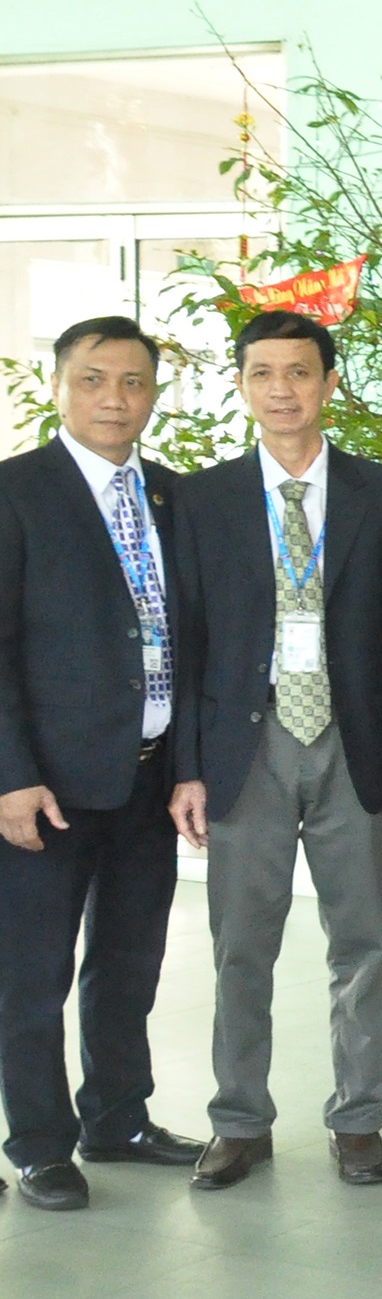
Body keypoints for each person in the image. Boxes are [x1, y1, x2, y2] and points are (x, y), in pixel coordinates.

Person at [168, 309, 382, 1190]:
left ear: (329, 383)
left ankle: (358, 1121)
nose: (282, 389)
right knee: (242, 945)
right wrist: (188, 767)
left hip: (354, 741)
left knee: (360, 943)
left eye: (300, 372)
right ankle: (239, 1121)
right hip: (247, 746)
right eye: (263, 373)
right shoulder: (199, 501)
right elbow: (187, 637)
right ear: (241, 386)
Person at [0, 316, 204, 1210]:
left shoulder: (171, 495)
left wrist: (189, 764)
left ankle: (117, 1118)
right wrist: (9, 772)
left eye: (132, 383)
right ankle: (41, 1143)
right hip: (43, 785)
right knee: (33, 972)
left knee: (129, 960)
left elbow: (187, 640)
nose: (114, 399)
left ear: (153, 396)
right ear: (57, 386)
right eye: (93, 380)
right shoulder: (15, 493)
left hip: (149, 777)